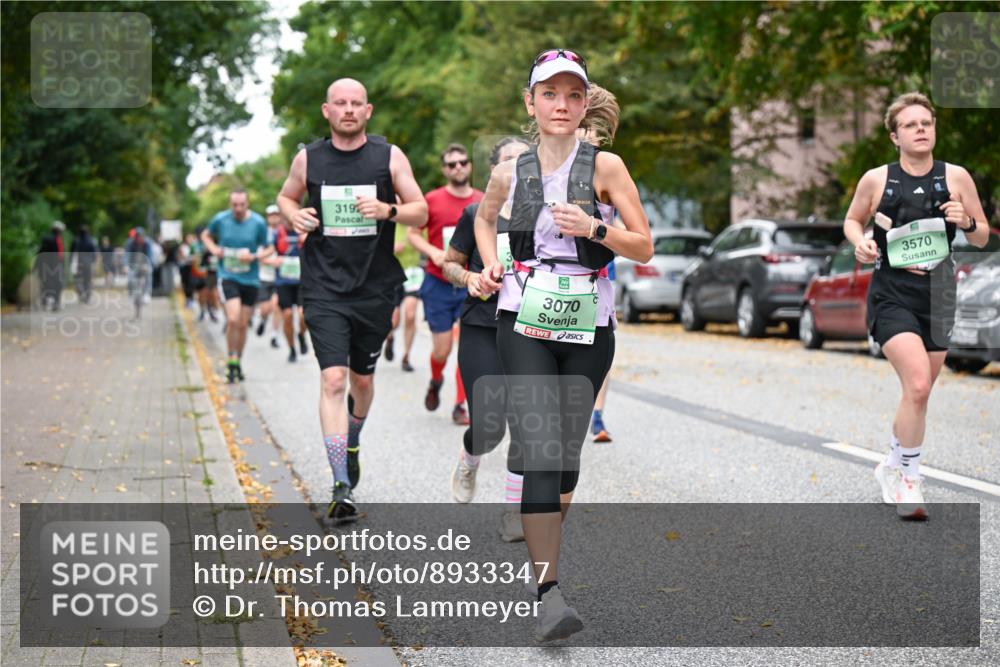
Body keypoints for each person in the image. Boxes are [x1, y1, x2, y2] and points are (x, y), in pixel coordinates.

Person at [476, 50, 652, 642]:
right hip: (522, 315)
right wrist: (491, 264)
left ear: (583, 104)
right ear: (531, 103)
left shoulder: (607, 166)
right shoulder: (511, 171)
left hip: (587, 319)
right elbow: (485, 219)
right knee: (544, 447)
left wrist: (595, 228)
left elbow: (644, 246)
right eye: (549, 94)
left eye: (572, 95)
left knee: (565, 459)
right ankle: (549, 593)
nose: (561, 104)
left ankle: (539, 550)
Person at [277, 78, 428, 523]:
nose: (348, 109)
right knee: (333, 380)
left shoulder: (388, 156)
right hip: (323, 285)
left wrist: (389, 211)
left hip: (374, 287)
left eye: (356, 103)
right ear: (327, 110)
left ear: (368, 110)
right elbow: (285, 195)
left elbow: (420, 209)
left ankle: (354, 434)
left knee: (362, 382)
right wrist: (293, 213)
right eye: (340, 103)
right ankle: (341, 483)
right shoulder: (309, 158)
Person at [844, 92, 988, 520]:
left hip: (940, 292)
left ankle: (891, 462)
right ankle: (909, 477)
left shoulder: (957, 177)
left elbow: (980, 236)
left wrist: (966, 222)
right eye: (911, 124)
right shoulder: (876, 179)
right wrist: (862, 243)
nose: (921, 129)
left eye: (927, 122)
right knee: (919, 384)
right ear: (895, 136)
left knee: (918, 395)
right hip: (893, 291)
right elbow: (853, 220)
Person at [442, 136, 532, 542]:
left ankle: (515, 513)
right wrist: (471, 278)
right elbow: (449, 264)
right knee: (489, 425)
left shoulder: (546, 216)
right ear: (494, 170)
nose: (516, 169)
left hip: (530, 328)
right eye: (508, 162)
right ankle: (470, 456)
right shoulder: (477, 213)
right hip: (482, 326)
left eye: (524, 161)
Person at [407, 143, 483, 425]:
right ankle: (436, 379)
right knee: (442, 349)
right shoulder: (432, 200)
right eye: (452, 164)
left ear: (470, 165)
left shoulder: (483, 199)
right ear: (444, 170)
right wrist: (434, 253)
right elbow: (414, 234)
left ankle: (460, 404)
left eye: (463, 162)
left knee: (468, 348)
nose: (458, 167)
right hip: (438, 283)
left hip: (471, 284)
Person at [200, 189, 274, 383]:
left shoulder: (258, 223)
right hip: (228, 276)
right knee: (233, 319)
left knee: (242, 324)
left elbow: (270, 248)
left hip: (250, 279)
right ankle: (231, 357)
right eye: (235, 205)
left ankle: (237, 362)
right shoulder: (221, 219)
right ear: (230, 204)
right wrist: (214, 249)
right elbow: (205, 235)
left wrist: (255, 256)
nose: (238, 209)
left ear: (247, 203)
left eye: (242, 205)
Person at [269, 209, 310, 362]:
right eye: (284, 218)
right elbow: (266, 254)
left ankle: (301, 335)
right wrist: (272, 261)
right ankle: (292, 349)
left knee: (304, 315)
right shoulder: (276, 235)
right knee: (287, 315)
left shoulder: (304, 232)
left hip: (301, 282)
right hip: (283, 282)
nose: (287, 221)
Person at [254, 204, 283, 348]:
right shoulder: (263, 234)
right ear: (267, 217)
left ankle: (274, 336)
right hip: (264, 276)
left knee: (277, 305)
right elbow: (258, 256)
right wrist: (271, 261)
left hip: (280, 277)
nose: (274, 218)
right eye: (271, 215)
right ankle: (263, 320)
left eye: (277, 214)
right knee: (265, 308)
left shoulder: (284, 232)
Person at [124, 227, 153, 319]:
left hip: (144, 265)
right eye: (137, 236)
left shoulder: (147, 243)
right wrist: (125, 266)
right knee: (130, 278)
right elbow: (127, 256)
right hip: (133, 266)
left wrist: (147, 264)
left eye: (140, 236)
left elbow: (150, 255)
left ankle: (146, 293)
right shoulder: (130, 244)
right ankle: (131, 295)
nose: (139, 238)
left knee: (149, 273)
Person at [37, 221, 66, 311]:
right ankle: (55, 303)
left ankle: (45, 302)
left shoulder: (46, 238)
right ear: (58, 231)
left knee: (46, 283)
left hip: (45, 265)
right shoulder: (57, 240)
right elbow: (60, 255)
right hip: (55, 265)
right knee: (57, 284)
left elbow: (40, 252)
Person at [70, 225, 98, 304]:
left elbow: (72, 253)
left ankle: (81, 293)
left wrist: (71, 262)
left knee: (78, 280)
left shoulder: (76, 241)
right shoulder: (90, 241)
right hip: (87, 264)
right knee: (87, 281)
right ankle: (87, 296)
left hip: (79, 264)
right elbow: (94, 254)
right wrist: (93, 262)